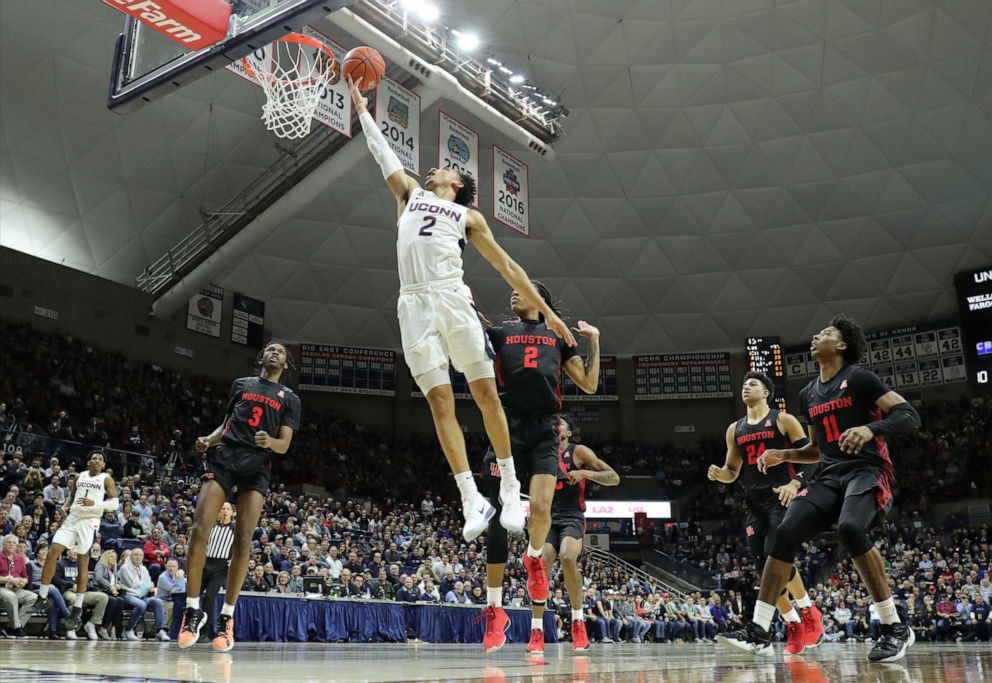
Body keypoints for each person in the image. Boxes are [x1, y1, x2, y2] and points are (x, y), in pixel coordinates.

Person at [347, 76, 576, 544]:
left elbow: (508, 266)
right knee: (438, 401)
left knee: (486, 393)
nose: (432, 170)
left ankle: (510, 487)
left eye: (443, 169)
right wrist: (364, 111)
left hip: (452, 297)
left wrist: (548, 314)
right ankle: (471, 496)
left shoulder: (469, 217)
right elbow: (383, 156)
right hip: (412, 301)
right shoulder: (409, 195)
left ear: (459, 184)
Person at [718, 314, 921, 662]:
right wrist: (785, 453)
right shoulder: (808, 393)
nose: (815, 336)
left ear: (841, 345)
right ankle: (759, 629)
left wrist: (871, 429)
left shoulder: (860, 379)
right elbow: (817, 449)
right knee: (784, 534)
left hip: (867, 470)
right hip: (829, 474)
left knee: (851, 528)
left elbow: (908, 415)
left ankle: (893, 626)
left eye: (825, 333)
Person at [179, 342, 300, 651]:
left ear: (285, 364)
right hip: (226, 457)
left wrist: (270, 441)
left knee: (244, 541)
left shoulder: (290, 399)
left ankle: (226, 618)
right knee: (198, 530)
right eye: (270, 349)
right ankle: (192, 610)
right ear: (261, 358)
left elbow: (284, 445)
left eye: (280, 351)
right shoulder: (241, 385)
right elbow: (227, 424)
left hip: (256, 466)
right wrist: (209, 438)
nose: (274, 352)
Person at [706, 371, 824, 654]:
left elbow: (812, 457)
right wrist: (719, 474)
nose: (746, 387)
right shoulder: (735, 429)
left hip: (779, 496)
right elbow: (733, 471)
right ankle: (793, 622)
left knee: (777, 559)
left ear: (766, 392)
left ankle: (809, 611)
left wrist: (795, 483)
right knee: (763, 569)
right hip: (753, 502)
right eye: (744, 384)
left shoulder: (783, 419)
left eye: (753, 384)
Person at [524, 417, 619, 653]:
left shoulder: (579, 451)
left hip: (572, 517)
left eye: (561, 424)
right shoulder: (539, 452)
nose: (556, 426)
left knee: (567, 558)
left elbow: (613, 477)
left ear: (568, 432)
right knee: (541, 564)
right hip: (546, 517)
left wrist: (585, 473)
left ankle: (578, 621)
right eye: (553, 424)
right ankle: (537, 629)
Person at [36, 450, 117, 631]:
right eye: (93, 458)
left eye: (100, 459)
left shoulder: (106, 479)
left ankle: (78, 608)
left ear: (103, 465)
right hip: (72, 518)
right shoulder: (80, 476)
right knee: (52, 552)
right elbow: (72, 497)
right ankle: (42, 597)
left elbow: (114, 503)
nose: (96, 461)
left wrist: (94, 505)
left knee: (82, 560)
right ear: (88, 462)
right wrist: (65, 507)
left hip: (89, 521)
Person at [118, 543, 169, 641]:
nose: (138, 557)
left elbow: (148, 582)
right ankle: (128, 629)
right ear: (131, 556)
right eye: (136, 555)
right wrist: (147, 585)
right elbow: (132, 583)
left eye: (140, 555)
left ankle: (160, 630)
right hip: (129, 595)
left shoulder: (143, 568)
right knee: (141, 604)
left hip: (142, 595)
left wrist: (148, 585)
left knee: (157, 601)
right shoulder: (125, 568)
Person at [0, 533, 37, 638]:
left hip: (15, 589)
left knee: (34, 598)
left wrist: (23, 581)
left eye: (14, 543)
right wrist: (9, 579)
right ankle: (17, 628)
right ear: (4, 544)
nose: (11, 544)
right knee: (11, 596)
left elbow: (25, 576)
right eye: (9, 542)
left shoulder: (20, 559)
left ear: (16, 546)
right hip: (2, 588)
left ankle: (11, 628)